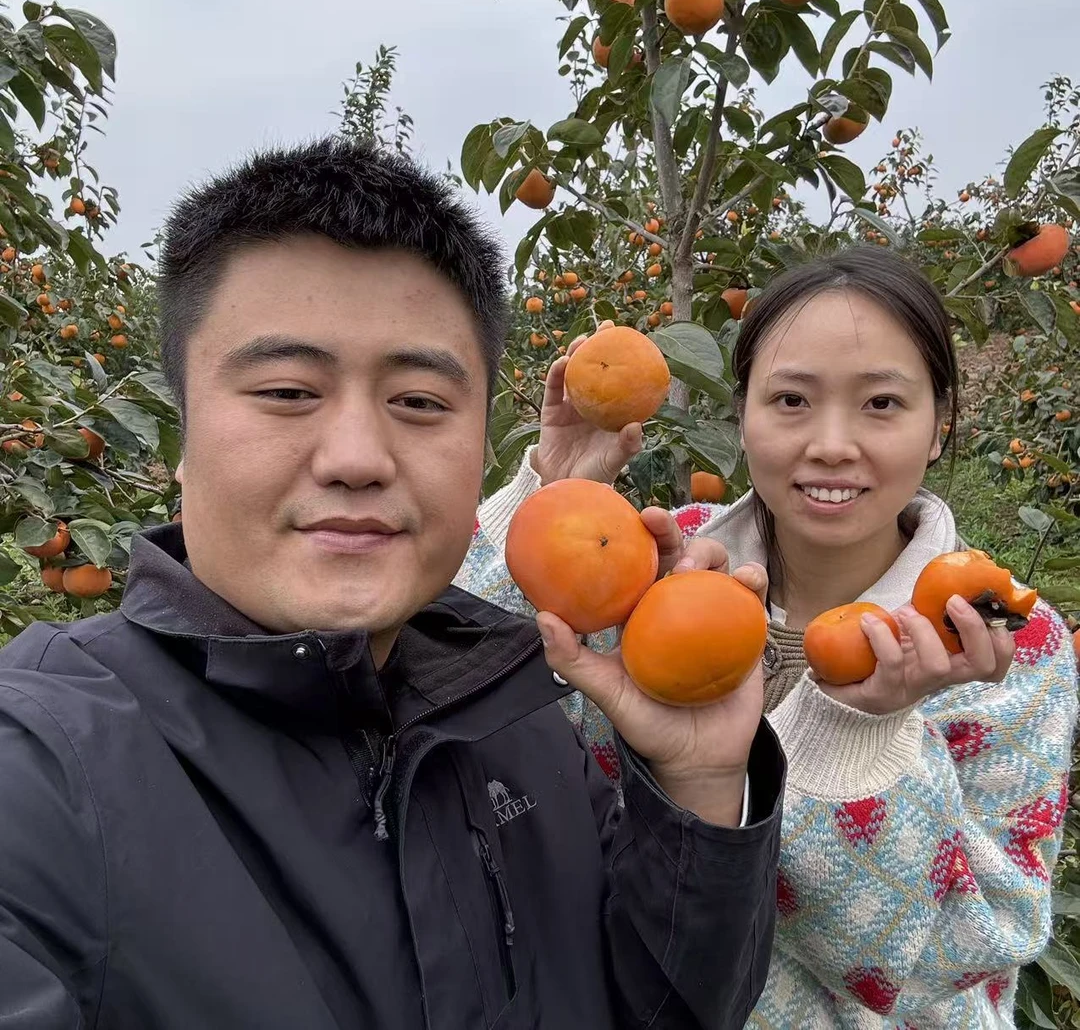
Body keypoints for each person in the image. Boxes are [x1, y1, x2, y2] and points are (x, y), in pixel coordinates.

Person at [0, 138, 785, 1029]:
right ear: (180, 434)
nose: (357, 458)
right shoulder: (45, 763)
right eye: (287, 391)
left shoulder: (518, 714)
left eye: (418, 402)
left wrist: (697, 784)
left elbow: (667, 1014)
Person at [457, 246, 1079, 1027]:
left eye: (882, 403)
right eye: (790, 400)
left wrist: (859, 739)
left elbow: (961, 957)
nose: (832, 443)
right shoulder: (668, 560)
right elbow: (463, 686)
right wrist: (556, 492)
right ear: (742, 416)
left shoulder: (1002, 643)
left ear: (938, 426)